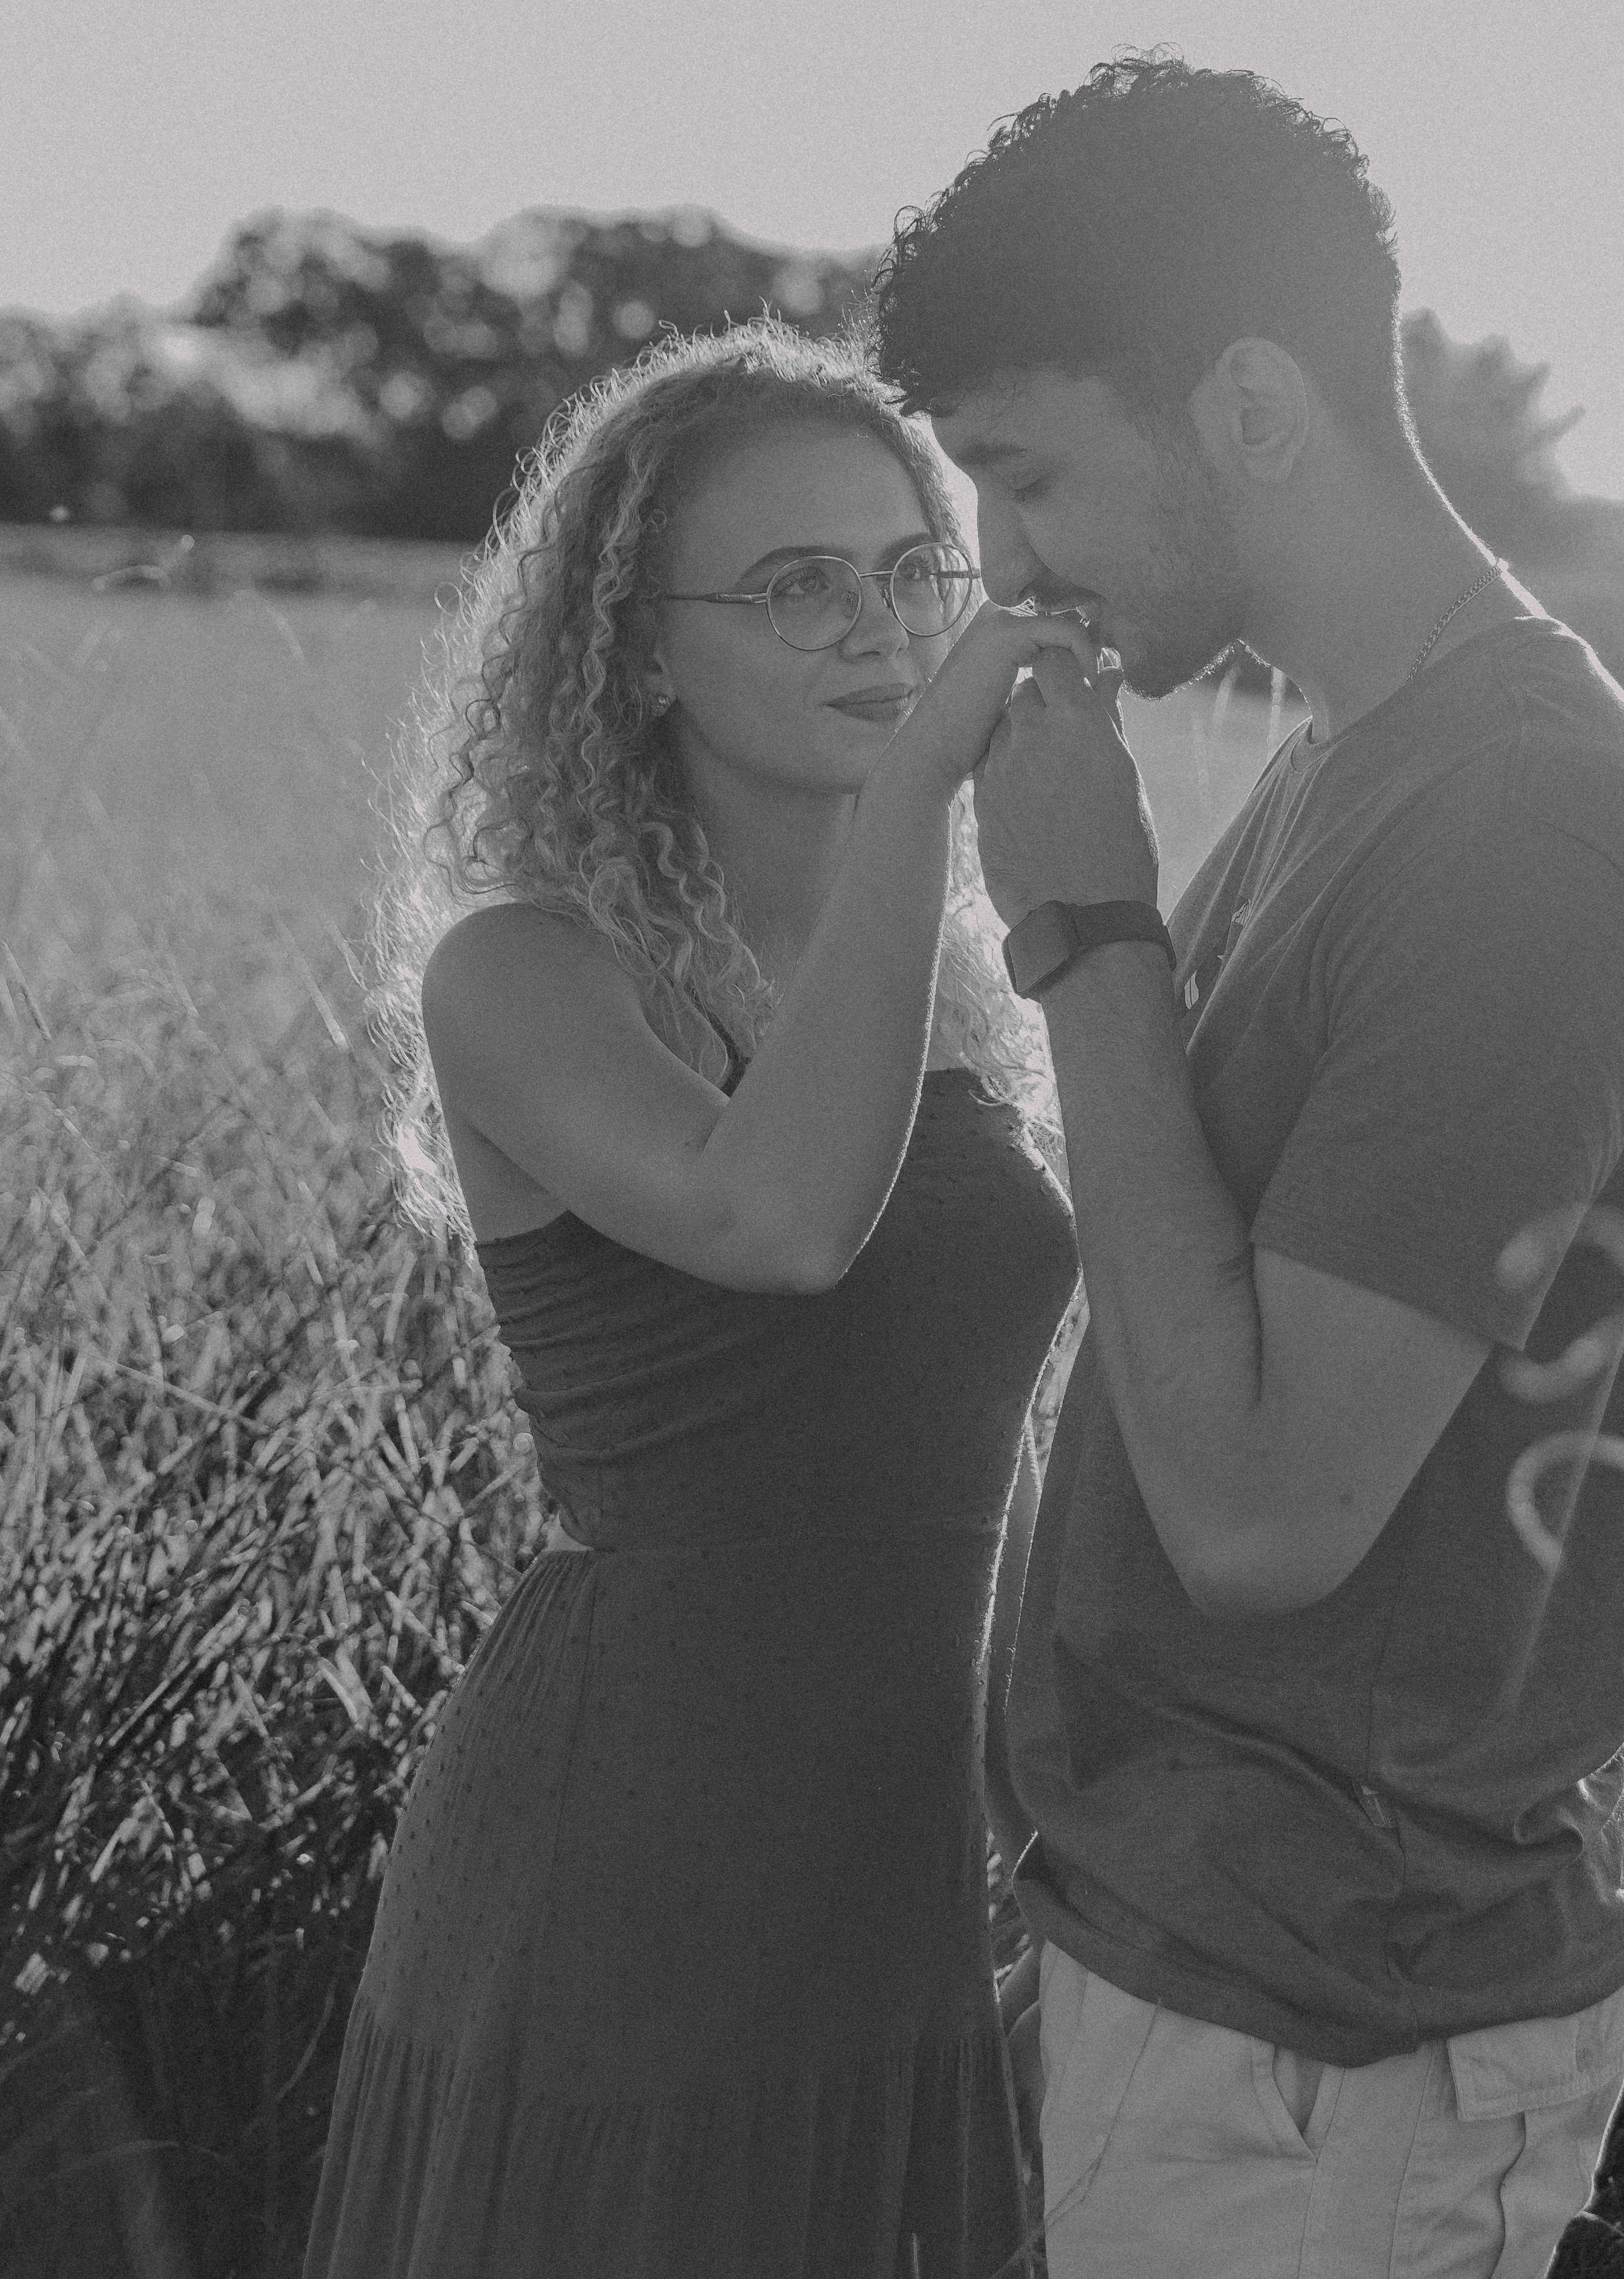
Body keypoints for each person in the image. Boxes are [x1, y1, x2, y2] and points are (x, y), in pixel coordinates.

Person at [874, 56, 1624, 2279]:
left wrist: (1085, 927)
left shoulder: (1524, 832)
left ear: (1251, 404)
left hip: (1332, 2043)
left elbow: (1264, 1511)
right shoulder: (1360, 759)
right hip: (1226, 1977)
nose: (1005, 562)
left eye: (1029, 473)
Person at [304, 320, 1087, 2279]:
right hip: (632, 1861)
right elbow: (780, 1221)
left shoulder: (957, 980)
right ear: (638, 650)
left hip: (906, 1857)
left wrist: (1063, 1825)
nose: (879, 629)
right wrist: (922, 797)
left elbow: (1000, 1421)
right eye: (798, 584)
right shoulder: (521, 970)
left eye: (911, 569)